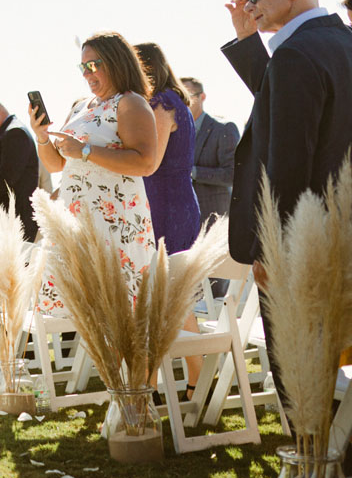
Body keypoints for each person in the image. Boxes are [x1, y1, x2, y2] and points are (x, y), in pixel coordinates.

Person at [223, 0, 352, 408]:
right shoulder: (346, 43)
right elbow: (286, 102)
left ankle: (324, 475)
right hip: (341, 229)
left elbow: (288, 161)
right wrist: (247, 41)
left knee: (297, 370)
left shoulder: (296, 53)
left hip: (302, 244)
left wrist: (274, 249)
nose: (248, 4)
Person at [30, 32, 158, 315]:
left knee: (123, 314)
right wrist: (41, 136)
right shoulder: (80, 106)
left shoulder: (130, 103)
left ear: (115, 62)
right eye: (82, 67)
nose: (87, 74)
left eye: (93, 65)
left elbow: (145, 163)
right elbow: (57, 164)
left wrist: (85, 151)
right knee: (81, 313)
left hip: (115, 225)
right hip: (77, 220)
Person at [136, 42, 203, 397]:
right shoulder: (173, 101)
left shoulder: (162, 104)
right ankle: (187, 380)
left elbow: (152, 160)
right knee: (169, 295)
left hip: (166, 203)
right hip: (169, 199)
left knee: (172, 295)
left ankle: (193, 377)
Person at [0, 97, 40, 241]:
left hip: (15, 222)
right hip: (5, 220)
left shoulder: (15, 133)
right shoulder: (6, 133)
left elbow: (6, 179)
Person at [179, 77, 238, 226]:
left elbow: (232, 174)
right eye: (179, 96)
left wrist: (192, 172)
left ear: (202, 97)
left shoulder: (223, 128)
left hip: (214, 220)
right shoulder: (173, 132)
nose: (183, 101)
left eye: (188, 95)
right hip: (182, 220)